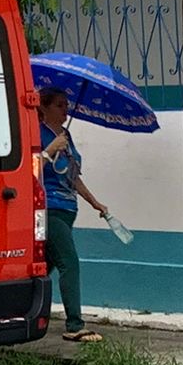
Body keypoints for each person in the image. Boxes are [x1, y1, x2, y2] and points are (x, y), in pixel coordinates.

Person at [39, 87, 107, 343]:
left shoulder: (65, 136)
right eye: (59, 105)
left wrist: (95, 202)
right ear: (44, 107)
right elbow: (28, 168)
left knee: (45, 268)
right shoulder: (38, 133)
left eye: (66, 105)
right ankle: (75, 324)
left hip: (68, 209)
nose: (65, 110)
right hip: (50, 208)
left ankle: (18, 310)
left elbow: (72, 176)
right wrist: (49, 150)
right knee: (69, 262)